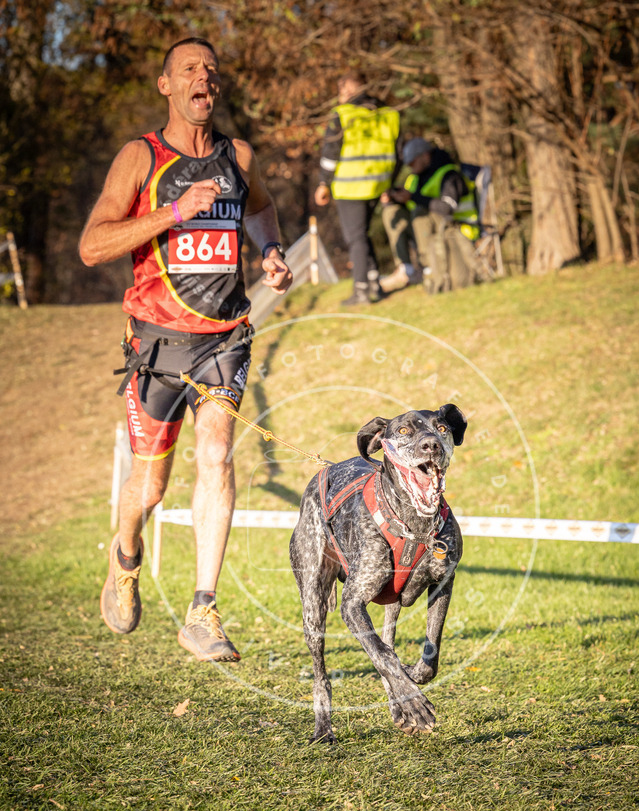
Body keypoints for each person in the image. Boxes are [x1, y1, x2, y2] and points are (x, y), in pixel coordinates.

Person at [79, 37, 292, 662]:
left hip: (224, 336)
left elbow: (263, 210)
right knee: (150, 488)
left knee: (218, 456)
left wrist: (271, 252)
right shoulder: (139, 156)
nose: (205, 77)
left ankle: (203, 609)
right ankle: (125, 556)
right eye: (190, 70)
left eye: (211, 69)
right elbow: (93, 246)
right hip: (157, 340)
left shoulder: (238, 155)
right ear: (167, 85)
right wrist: (172, 212)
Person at [314, 71, 400, 306]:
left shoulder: (343, 114)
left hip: (350, 187)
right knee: (362, 235)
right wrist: (390, 185)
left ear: (347, 91)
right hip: (378, 185)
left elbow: (330, 154)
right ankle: (374, 283)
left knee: (356, 238)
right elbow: (397, 152)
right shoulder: (388, 114)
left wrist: (323, 183)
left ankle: (361, 290)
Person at [381, 137, 480, 294]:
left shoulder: (449, 175)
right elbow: (412, 203)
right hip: (427, 231)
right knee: (391, 212)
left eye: (412, 162)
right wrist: (395, 199)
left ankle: (429, 269)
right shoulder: (415, 179)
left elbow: (446, 208)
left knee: (420, 214)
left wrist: (413, 197)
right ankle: (406, 268)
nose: (410, 167)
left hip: (457, 227)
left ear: (425, 156)